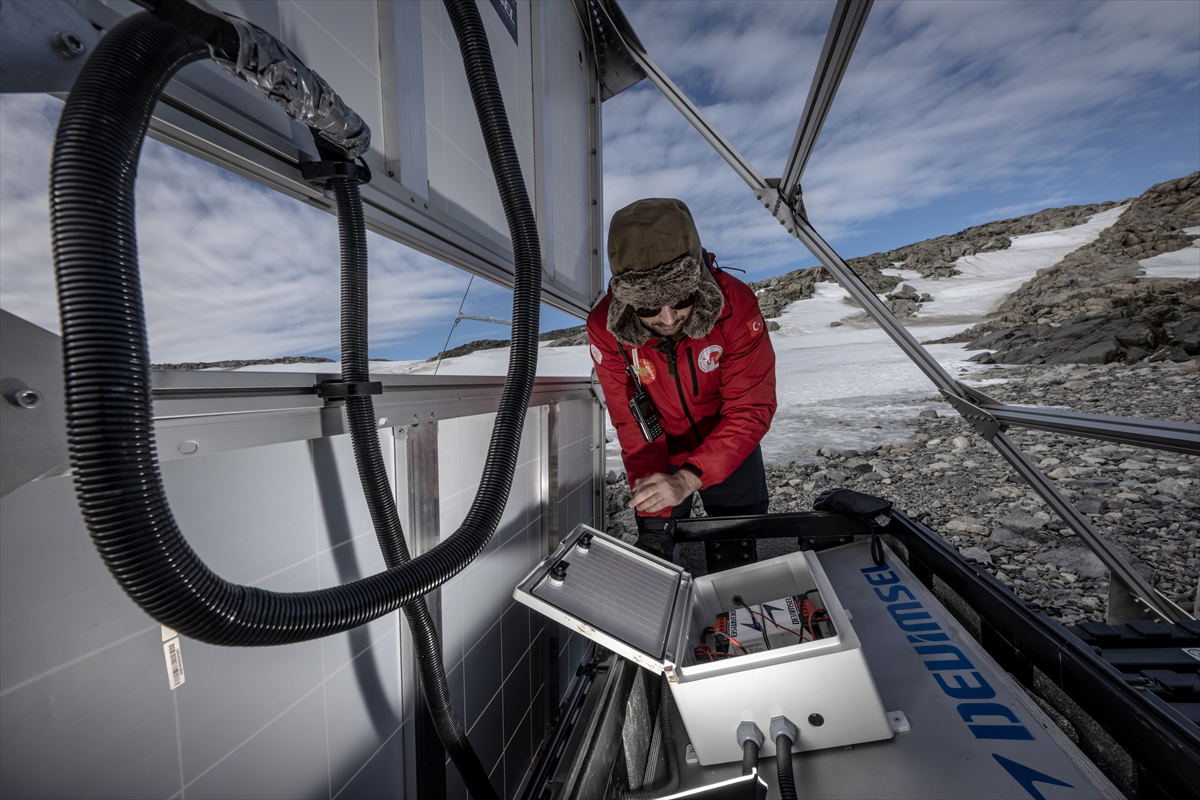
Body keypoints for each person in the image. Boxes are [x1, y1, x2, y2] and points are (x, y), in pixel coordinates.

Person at [587, 198, 777, 559]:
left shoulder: (735, 306)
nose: (669, 319)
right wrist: (657, 510)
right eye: (647, 308)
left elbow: (751, 408)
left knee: (739, 549)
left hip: (730, 443)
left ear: (699, 282)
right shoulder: (605, 327)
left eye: (682, 298)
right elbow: (631, 421)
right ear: (627, 302)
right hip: (659, 450)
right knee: (658, 554)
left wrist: (688, 480)